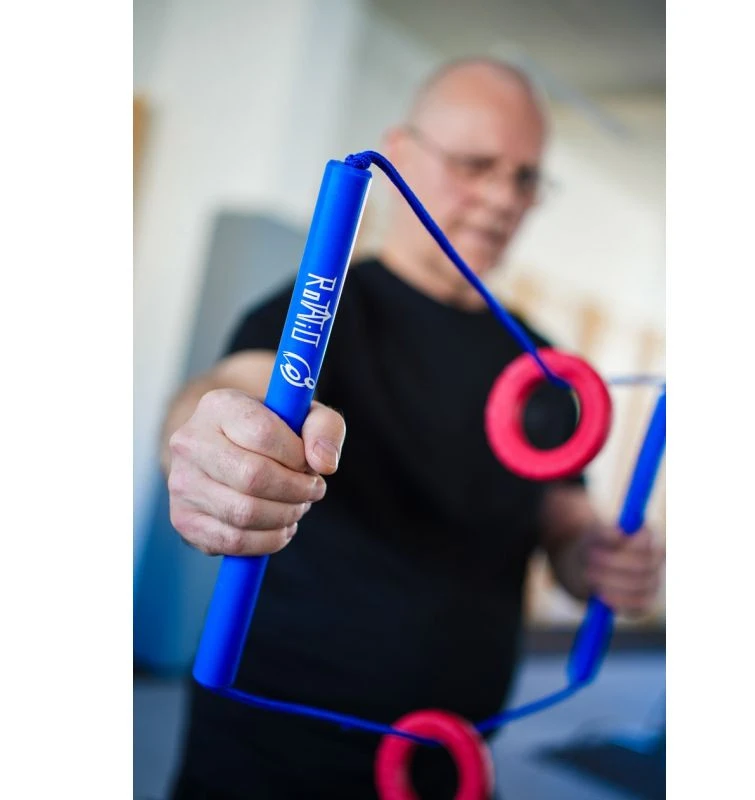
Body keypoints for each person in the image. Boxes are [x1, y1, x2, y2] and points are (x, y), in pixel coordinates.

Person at [162, 58, 665, 799]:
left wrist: (598, 554)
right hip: (269, 749)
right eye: (475, 164)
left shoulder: (543, 365)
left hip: (455, 758)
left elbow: (565, 519)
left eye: (525, 177)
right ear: (400, 151)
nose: (502, 198)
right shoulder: (316, 306)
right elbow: (232, 388)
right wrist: (211, 442)